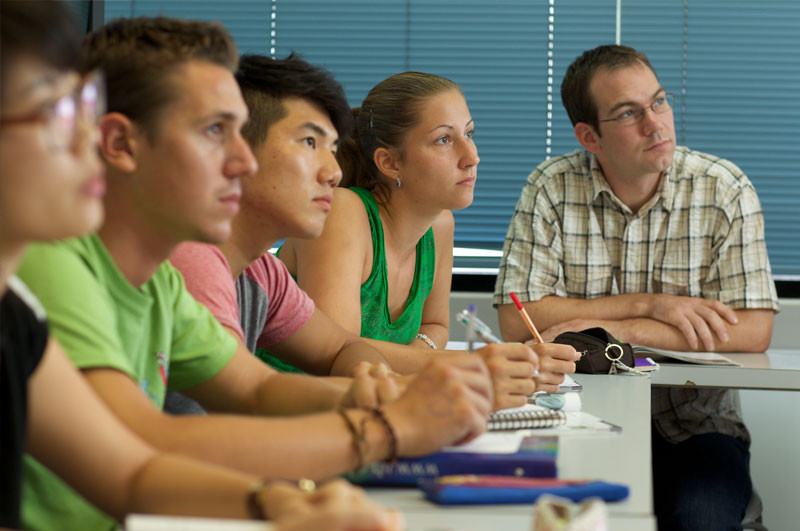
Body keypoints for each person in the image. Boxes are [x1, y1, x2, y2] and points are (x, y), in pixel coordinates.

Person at [16, 15, 493, 531]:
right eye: (215, 131)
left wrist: (288, 496)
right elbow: (144, 444)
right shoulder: (53, 265)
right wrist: (386, 427)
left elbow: (255, 391)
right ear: (120, 143)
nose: (241, 160)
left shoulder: (159, 280)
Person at [494, 44, 779, 530]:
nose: (656, 124)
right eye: (629, 113)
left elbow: (753, 330)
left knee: (700, 519)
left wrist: (607, 325)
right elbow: (519, 320)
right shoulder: (550, 188)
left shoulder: (723, 187)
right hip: (576, 417)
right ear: (590, 136)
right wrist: (655, 306)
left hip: (696, 426)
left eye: (659, 102)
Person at [170, 54, 550, 413]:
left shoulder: (261, 273)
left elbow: (343, 348)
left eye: (331, 146)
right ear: (235, 155)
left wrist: (399, 385)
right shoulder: (193, 263)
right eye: (309, 143)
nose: (333, 171)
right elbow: (253, 399)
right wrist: (451, 377)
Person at [279, 71, 579, 403]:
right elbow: (339, 352)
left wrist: (416, 366)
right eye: (444, 140)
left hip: (380, 405)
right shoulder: (343, 213)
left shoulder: (440, 225)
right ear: (390, 162)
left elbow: (435, 326)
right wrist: (468, 364)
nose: (472, 157)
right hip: (291, 413)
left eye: (469, 133)